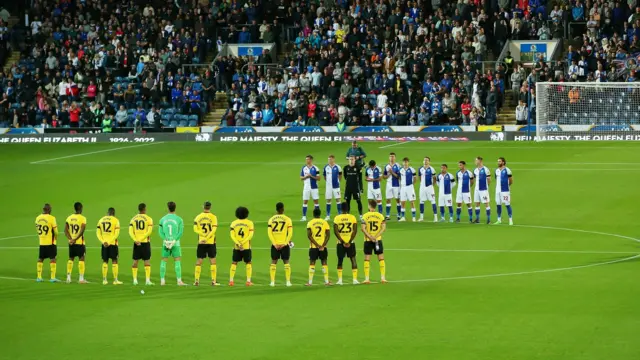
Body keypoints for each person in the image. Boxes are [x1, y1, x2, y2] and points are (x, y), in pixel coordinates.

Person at [158, 201, 185, 286]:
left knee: (164, 260)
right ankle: (179, 281)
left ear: (168, 208)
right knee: (177, 261)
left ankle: (162, 281)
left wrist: (165, 240)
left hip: (165, 244)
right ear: (175, 208)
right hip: (175, 244)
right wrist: (174, 241)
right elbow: (180, 232)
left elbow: (160, 232)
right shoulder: (179, 219)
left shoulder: (162, 219)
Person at [267, 202, 294, 287]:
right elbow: (290, 233)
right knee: (286, 262)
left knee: (273, 262)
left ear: (276, 209)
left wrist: (274, 243)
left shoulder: (271, 219)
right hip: (284, 245)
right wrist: (285, 243)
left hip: (275, 245)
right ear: (283, 209)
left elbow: (269, 233)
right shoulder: (287, 219)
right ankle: (288, 282)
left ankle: (272, 282)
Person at [193, 201, 219, 286]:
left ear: (203, 206)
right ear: (210, 207)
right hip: (211, 242)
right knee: (212, 260)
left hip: (201, 242)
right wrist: (207, 237)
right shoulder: (214, 217)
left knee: (199, 260)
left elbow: (195, 229)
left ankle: (196, 280)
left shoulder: (198, 217)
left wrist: (203, 235)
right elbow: (214, 230)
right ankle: (213, 281)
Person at [361, 200, 387, 284]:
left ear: (369, 206)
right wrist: (375, 237)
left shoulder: (365, 216)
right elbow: (383, 228)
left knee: (367, 259)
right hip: (377, 240)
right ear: (375, 206)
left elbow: (363, 228)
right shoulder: (380, 216)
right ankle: (383, 278)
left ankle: (367, 279)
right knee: (381, 258)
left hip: (368, 240)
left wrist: (370, 237)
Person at [333, 202, 359, 285]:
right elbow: (355, 230)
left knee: (340, 260)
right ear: (348, 208)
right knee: (353, 259)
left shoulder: (337, 218)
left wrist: (342, 241)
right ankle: (355, 280)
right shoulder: (352, 217)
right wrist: (349, 241)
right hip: (351, 242)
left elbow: (335, 231)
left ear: (341, 209)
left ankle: (340, 280)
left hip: (340, 243)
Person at [229, 206, 255, 286]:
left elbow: (232, 235)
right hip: (246, 246)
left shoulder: (233, 223)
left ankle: (231, 281)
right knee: (248, 262)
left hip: (237, 247)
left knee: (234, 262)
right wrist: (243, 243)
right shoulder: (250, 223)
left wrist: (238, 243)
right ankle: (248, 281)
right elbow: (250, 235)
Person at [129, 203, 154, 286]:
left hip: (136, 243)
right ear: (144, 209)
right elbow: (149, 232)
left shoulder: (133, 219)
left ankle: (135, 280)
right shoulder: (149, 219)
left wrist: (135, 239)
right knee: (147, 261)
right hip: (145, 242)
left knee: (135, 261)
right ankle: (147, 280)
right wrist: (141, 239)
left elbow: (130, 231)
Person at [305, 208, 331, 286]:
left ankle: (310, 282)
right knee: (324, 262)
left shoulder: (310, 223)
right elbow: (328, 235)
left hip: (313, 247)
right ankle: (326, 281)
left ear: (313, 214)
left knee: (312, 262)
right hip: (323, 247)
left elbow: (309, 236)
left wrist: (316, 245)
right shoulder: (324, 222)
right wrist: (322, 245)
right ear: (320, 214)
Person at [97, 208, 121, 285]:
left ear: (107, 212)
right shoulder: (116, 220)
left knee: (105, 261)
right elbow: (116, 234)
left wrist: (103, 241)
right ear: (114, 213)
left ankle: (104, 280)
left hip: (104, 244)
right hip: (113, 243)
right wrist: (110, 241)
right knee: (114, 260)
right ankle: (115, 280)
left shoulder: (101, 220)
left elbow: (98, 233)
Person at [64, 202, 87, 284]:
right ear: (81, 208)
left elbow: (65, 230)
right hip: (79, 242)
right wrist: (75, 239)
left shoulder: (69, 218)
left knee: (71, 258)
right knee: (81, 258)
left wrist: (70, 239)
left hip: (71, 243)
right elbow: (82, 230)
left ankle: (68, 277)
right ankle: (81, 278)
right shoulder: (83, 218)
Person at [35, 204, 58, 282]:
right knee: (53, 258)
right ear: (48, 209)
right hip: (50, 242)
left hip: (41, 242)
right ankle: (52, 277)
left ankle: (39, 277)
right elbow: (56, 232)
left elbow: (37, 229)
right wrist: (55, 238)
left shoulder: (37, 218)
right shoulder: (52, 218)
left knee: (40, 258)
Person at [300, 155, 321, 221]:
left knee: (316, 202)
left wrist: (311, 176)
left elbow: (318, 178)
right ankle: (304, 216)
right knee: (305, 201)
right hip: (306, 187)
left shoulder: (316, 168)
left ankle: (317, 216)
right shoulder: (304, 168)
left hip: (314, 187)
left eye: (308, 159)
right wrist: (306, 177)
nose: (307, 161)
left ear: (311, 160)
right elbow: (301, 177)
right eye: (306, 159)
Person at [494, 157, 514, 225]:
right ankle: (499, 219)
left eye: (499, 161)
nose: (498, 162)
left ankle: (510, 220)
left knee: (507, 204)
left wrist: (507, 186)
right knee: (498, 205)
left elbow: (511, 180)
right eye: (498, 161)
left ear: (503, 162)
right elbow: (496, 179)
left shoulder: (507, 170)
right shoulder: (496, 170)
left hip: (505, 190)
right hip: (497, 190)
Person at [418, 157, 438, 222]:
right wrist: (422, 184)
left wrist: (432, 185)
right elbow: (420, 177)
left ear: (429, 161)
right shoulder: (420, 169)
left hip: (430, 187)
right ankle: (421, 217)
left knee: (433, 201)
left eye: (427, 160)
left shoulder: (432, 169)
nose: (425, 161)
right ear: (423, 161)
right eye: (424, 160)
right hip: (422, 187)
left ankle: (435, 217)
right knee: (421, 201)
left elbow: (435, 178)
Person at [323, 155, 342, 220]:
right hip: (328, 187)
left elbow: (340, 175)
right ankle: (328, 215)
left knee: (338, 199)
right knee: (328, 200)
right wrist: (328, 182)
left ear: (333, 159)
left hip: (336, 186)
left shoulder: (338, 167)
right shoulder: (326, 167)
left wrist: (338, 181)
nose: (329, 161)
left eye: (330, 159)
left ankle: (339, 214)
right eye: (328, 159)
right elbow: (325, 176)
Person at [473, 157, 492, 224]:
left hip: (483, 189)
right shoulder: (475, 170)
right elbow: (475, 179)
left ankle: (488, 219)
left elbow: (489, 180)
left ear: (480, 161)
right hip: (477, 189)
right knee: (477, 203)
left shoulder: (486, 169)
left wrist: (486, 187)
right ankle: (477, 219)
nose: (475, 161)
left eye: (476, 160)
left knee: (486, 203)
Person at [383, 152, 402, 220]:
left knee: (398, 200)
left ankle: (399, 215)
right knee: (388, 200)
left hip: (396, 185)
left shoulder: (398, 166)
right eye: (390, 156)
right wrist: (388, 174)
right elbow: (384, 177)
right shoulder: (386, 166)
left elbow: (399, 177)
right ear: (389, 157)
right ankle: (387, 215)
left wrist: (392, 173)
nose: (392, 158)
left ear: (395, 158)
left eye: (393, 156)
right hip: (389, 185)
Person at [399, 157, 417, 222]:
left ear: (408, 162)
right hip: (403, 187)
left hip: (410, 187)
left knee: (412, 202)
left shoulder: (412, 170)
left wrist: (411, 185)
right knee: (403, 202)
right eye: (404, 162)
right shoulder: (400, 170)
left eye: (406, 162)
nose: (405, 163)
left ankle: (414, 217)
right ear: (402, 162)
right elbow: (400, 178)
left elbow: (415, 178)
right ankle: (403, 217)